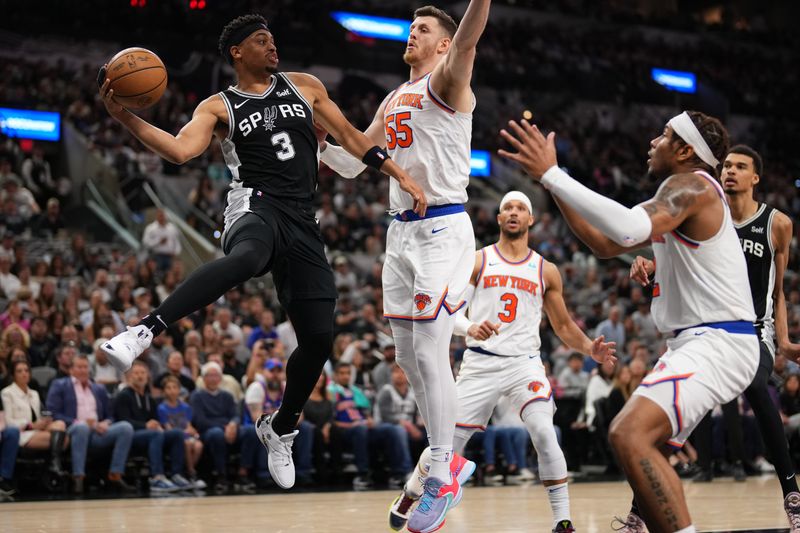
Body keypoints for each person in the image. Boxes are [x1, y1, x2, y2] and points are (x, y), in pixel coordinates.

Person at [98, 13, 426, 491]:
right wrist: (126, 116)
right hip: (255, 205)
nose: (272, 46)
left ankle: (282, 426)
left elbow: (354, 139)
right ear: (237, 52)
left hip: (303, 218)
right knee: (248, 260)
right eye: (260, 40)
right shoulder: (220, 105)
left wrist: (399, 174)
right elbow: (179, 151)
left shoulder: (305, 86)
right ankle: (143, 332)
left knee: (318, 340)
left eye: (272, 37)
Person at [499, 111, 758, 533]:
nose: (653, 141)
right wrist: (551, 180)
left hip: (718, 341)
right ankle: (640, 522)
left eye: (664, 135)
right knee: (644, 444)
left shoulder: (689, 185)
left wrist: (554, 174)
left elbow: (625, 230)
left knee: (628, 434)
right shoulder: (681, 194)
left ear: (685, 150)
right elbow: (604, 244)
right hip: (700, 342)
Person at [319, 3, 491, 528]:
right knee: (408, 353)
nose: (411, 33)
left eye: (423, 29)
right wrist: (315, 142)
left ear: (443, 44)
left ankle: (441, 471)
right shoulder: (394, 97)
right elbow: (354, 161)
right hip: (400, 233)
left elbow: (468, 40)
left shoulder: (450, 79)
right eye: (410, 26)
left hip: (442, 227)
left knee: (433, 346)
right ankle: (446, 457)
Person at [388, 192, 615, 533]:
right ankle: (411, 492)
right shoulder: (478, 260)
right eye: (507, 207)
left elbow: (564, 325)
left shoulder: (546, 270)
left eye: (521, 208)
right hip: (480, 362)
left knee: (543, 431)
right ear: (498, 218)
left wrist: (588, 348)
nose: (513, 212)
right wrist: (470, 328)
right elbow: (453, 309)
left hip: (524, 363)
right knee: (448, 445)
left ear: (531, 219)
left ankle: (562, 520)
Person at [654, 145, 799, 524]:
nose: (730, 171)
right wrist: (646, 263)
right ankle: (640, 513)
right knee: (676, 407)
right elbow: (670, 259)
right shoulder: (702, 216)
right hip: (709, 332)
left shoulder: (777, 223)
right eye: (727, 165)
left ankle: (792, 496)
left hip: (754, 331)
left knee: (753, 382)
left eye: (740, 167)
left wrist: (783, 341)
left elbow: (778, 292)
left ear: (756, 178)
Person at [46, 354, 134, 494]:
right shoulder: (60, 385)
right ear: (71, 370)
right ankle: (78, 477)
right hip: (73, 431)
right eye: (79, 367)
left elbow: (110, 414)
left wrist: (106, 423)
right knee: (82, 428)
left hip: (97, 432)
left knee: (125, 427)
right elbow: (53, 412)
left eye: (85, 367)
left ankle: (115, 474)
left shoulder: (98, 388)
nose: (82, 370)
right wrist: (80, 422)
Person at [113, 360, 189, 493]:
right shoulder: (123, 396)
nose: (140, 376)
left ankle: (177, 475)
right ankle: (157, 477)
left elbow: (156, 420)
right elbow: (122, 421)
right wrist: (145, 425)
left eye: (143, 373)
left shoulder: (150, 398)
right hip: (132, 436)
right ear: (130, 376)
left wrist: (159, 425)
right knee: (156, 434)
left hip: (151, 435)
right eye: (136, 373)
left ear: (148, 376)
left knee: (176, 433)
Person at [1, 360, 67, 476]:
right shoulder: (7, 393)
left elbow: (36, 417)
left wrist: (43, 422)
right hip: (21, 432)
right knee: (64, 440)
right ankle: (53, 465)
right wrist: (31, 425)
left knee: (60, 424)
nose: (24, 374)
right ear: (13, 375)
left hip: (36, 429)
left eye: (26, 371)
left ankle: (54, 463)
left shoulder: (34, 393)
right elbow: (9, 422)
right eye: (19, 371)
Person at [157, 375, 206, 489]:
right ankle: (191, 474)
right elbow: (168, 428)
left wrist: (191, 431)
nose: (172, 391)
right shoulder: (162, 408)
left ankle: (187, 471)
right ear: (164, 391)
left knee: (198, 445)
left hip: (186, 434)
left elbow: (189, 426)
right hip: (173, 437)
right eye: (168, 388)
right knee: (188, 444)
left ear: (179, 390)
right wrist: (186, 432)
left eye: (174, 387)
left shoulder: (186, 407)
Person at [141, 209, 181, 274]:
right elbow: (145, 242)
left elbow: (176, 242)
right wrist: (158, 241)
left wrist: (176, 252)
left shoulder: (172, 228)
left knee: (169, 275)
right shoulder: (150, 228)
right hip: (156, 256)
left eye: (163, 216)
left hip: (169, 257)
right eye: (160, 216)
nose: (162, 217)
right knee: (157, 274)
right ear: (156, 216)